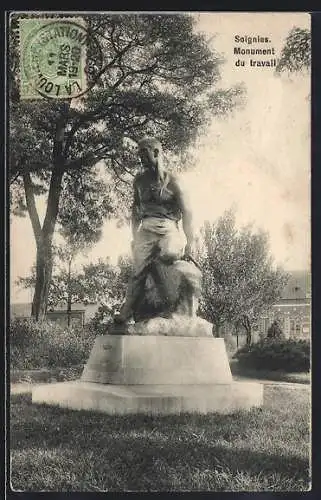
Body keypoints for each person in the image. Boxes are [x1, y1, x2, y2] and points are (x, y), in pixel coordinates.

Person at [114, 136, 194, 324]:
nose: (140, 157)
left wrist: (191, 240)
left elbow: (187, 212)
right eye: (139, 152)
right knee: (138, 270)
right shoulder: (139, 181)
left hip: (168, 228)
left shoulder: (174, 181)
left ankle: (172, 304)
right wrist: (134, 236)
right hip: (147, 227)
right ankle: (127, 311)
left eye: (144, 152)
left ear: (156, 153)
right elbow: (135, 210)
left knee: (168, 253)